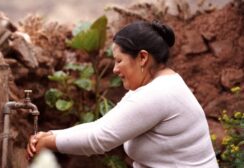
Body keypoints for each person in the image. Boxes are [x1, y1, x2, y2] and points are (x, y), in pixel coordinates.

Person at [26, 20, 219, 168]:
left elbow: (99, 138)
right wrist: (51, 135)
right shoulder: (158, 85)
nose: (115, 69)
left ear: (142, 57)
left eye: (119, 61)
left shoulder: (158, 94)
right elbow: (100, 125)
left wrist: (48, 142)